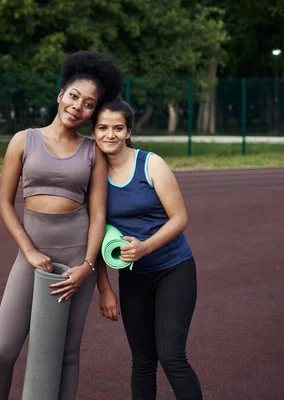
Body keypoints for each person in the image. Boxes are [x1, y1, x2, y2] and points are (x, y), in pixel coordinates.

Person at [0, 50, 123, 400]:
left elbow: (98, 216)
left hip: (77, 259)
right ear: (60, 95)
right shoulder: (24, 139)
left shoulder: (93, 152)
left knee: (65, 353)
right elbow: (5, 202)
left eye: (89, 104)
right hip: (31, 256)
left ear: (94, 112)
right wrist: (29, 251)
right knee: (1, 351)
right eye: (74, 96)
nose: (78, 106)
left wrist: (88, 267)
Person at [92, 100, 202, 400]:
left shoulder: (150, 163)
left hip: (173, 269)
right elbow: (93, 235)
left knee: (171, 355)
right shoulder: (92, 175)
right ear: (94, 132)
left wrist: (146, 247)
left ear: (128, 131)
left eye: (118, 128)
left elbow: (180, 218)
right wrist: (105, 289)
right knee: (142, 362)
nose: (110, 134)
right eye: (102, 128)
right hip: (133, 278)